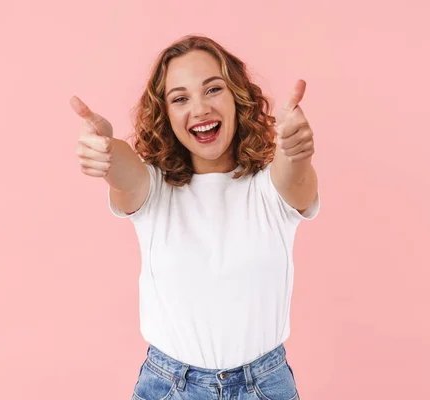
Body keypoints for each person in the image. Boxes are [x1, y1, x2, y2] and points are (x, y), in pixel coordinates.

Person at [71, 35, 320, 400]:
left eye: (213, 89)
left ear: (237, 97)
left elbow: (293, 172)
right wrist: (107, 151)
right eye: (180, 98)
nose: (200, 109)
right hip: (169, 385)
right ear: (167, 115)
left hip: (265, 385)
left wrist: (295, 148)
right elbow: (125, 171)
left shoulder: (271, 191)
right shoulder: (153, 189)